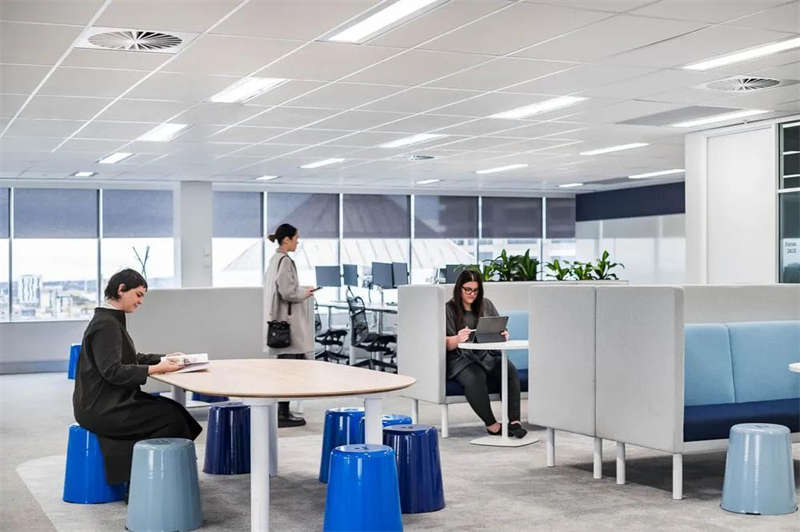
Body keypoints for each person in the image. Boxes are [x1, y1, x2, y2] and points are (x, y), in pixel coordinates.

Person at [72, 269, 202, 489]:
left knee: (174, 411)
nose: (141, 301)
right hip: (102, 408)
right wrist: (154, 369)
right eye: (138, 294)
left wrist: (164, 359)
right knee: (172, 417)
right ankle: (142, 483)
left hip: (103, 402)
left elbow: (130, 358)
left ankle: (144, 478)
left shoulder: (109, 319)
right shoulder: (106, 324)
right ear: (121, 289)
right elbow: (113, 371)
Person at [445, 269, 527, 438]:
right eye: (468, 289)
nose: (472, 294)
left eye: (475, 290)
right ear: (459, 288)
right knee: (475, 376)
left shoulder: (486, 304)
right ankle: (492, 425)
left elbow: (499, 328)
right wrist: (457, 338)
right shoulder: (449, 308)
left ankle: (514, 422)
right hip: (460, 359)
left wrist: (503, 334)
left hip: (486, 355)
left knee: (509, 369)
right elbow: (444, 343)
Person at [264, 223, 315, 427]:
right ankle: (282, 414)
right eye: (296, 238)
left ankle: (283, 411)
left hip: (279, 321)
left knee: (285, 369)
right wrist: (306, 293)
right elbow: (288, 292)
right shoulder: (285, 261)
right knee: (289, 371)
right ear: (286, 240)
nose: (297, 242)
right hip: (289, 324)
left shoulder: (274, 259)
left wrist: (300, 289)